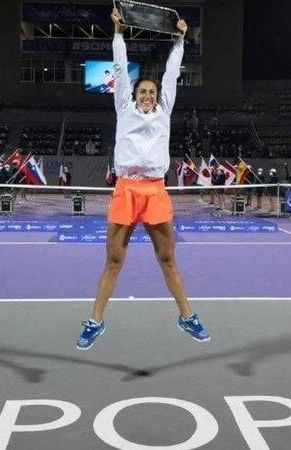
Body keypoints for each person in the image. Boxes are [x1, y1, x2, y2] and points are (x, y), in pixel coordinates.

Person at [77, 9, 208, 351]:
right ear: (134, 95)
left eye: (151, 92)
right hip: (125, 190)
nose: (148, 95)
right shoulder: (124, 107)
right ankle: (95, 321)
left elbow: (171, 74)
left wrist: (180, 40)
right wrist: (118, 33)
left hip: (154, 191)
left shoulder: (165, 109)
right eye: (143, 92)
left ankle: (186, 317)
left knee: (167, 259)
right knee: (113, 260)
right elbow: (120, 69)